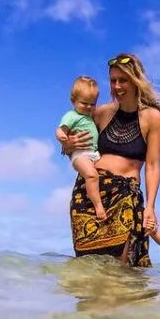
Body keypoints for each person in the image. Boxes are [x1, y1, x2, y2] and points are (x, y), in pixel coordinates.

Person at [60, 53, 160, 266]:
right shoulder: (100, 113)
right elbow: (71, 147)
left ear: (136, 81)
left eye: (123, 80)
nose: (117, 86)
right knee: (88, 267)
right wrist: (67, 144)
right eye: (113, 80)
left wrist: (150, 207)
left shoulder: (152, 117)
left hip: (124, 196)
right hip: (89, 195)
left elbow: (153, 166)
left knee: (120, 269)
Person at [55, 76, 106, 220]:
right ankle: (98, 206)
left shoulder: (90, 116)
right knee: (91, 175)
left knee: (97, 176)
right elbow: (60, 129)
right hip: (80, 155)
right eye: (85, 103)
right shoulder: (71, 115)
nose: (89, 107)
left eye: (92, 104)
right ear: (73, 101)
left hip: (93, 153)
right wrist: (62, 138)